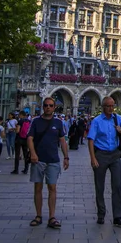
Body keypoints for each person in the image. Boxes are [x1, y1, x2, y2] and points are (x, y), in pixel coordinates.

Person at [27, 98, 69, 229]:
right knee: (38, 188)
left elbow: (62, 141)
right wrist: (33, 153)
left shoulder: (58, 122)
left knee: (52, 188)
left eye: (51, 105)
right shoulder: (36, 122)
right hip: (38, 160)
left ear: (54, 107)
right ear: (42, 107)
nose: (48, 107)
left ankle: (52, 217)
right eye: (46, 105)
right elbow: (30, 138)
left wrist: (66, 157)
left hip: (53, 160)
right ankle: (38, 215)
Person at [87, 97, 121, 227]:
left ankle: (117, 216)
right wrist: (93, 158)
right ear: (103, 107)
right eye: (108, 106)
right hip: (101, 155)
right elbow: (91, 140)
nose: (111, 108)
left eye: (112, 106)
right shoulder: (97, 121)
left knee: (117, 185)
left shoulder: (117, 118)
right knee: (100, 186)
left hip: (115, 155)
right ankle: (101, 214)